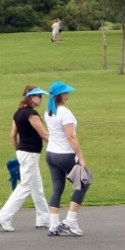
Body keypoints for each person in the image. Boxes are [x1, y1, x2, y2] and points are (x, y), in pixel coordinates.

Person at [0, 86, 51, 232]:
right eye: (38, 96)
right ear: (31, 97)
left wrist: (18, 150)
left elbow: (13, 135)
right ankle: (4, 216)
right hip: (30, 153)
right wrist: (60, 146)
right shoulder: (32, 114)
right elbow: (44, 135)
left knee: (36, 186)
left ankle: (44, 218)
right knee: (26, 185)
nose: (41, 99)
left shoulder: (18, 113)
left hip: (24, 152)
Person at [42, 81, 89, 236]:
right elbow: (71, 137)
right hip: (65, 155)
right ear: (60, 95)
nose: (68, 95)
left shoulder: (48, 112)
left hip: (51, 154)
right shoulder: (64, 112)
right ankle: (70, 221)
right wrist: (80, 157)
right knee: (83, 182)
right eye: (66, 92)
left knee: (57, 187)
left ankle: (54, 225)